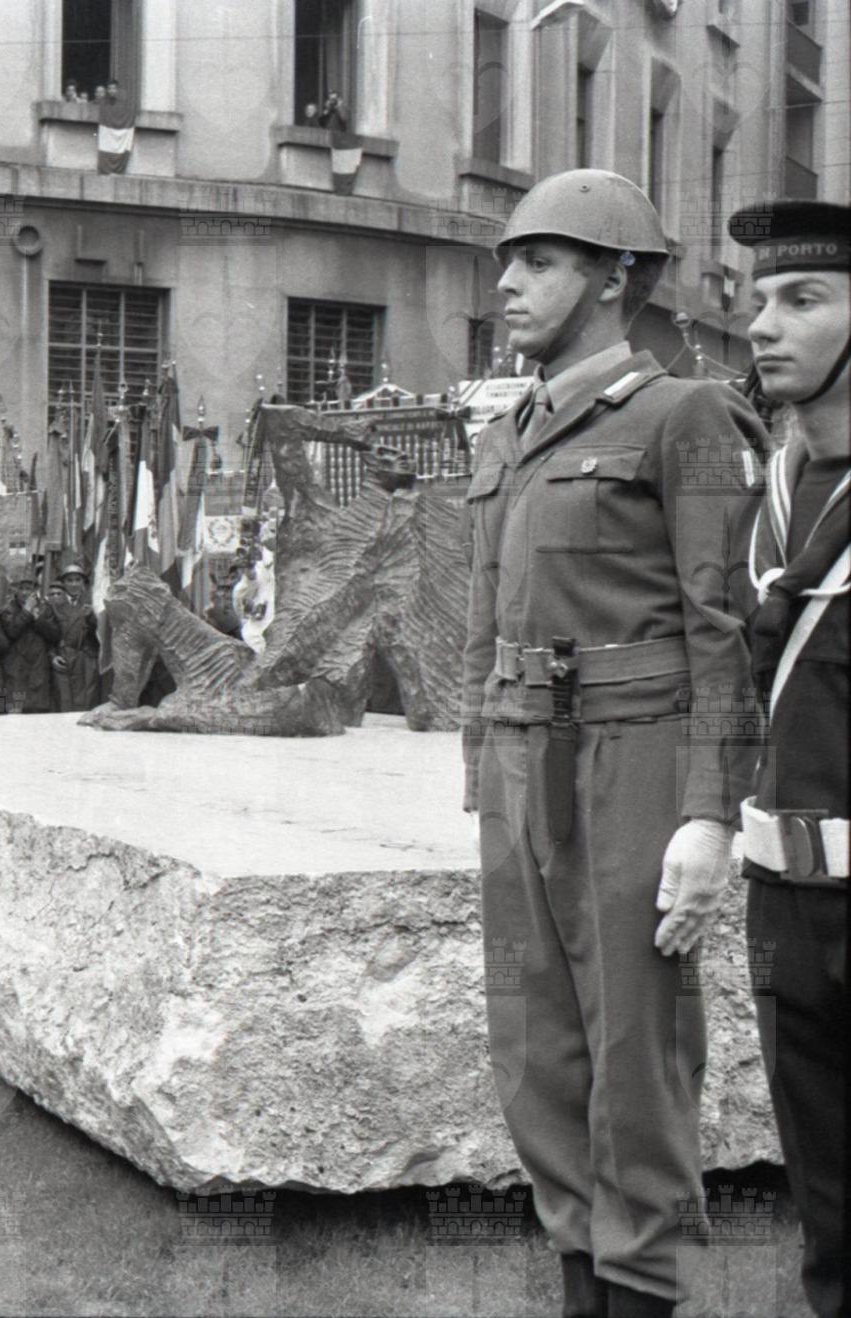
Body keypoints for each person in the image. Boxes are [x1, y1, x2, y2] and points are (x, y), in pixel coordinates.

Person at [461, 169, 765, 1318]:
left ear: (613, 280)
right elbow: (486, 618)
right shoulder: (507, 432)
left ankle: (639, 1289)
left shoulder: (683, 416)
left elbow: (721, 627)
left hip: (632, 759)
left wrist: (707, 812)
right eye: (507, 261)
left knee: (636, 1055)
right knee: (533, 1053)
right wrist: (480, 775)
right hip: (518, 766)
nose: (508, 283)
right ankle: (579, 1283)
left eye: (538, 262)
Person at [728, 197, 848, 1318]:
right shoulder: (769, 496)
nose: (762, 324)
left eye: (802, 299)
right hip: (783, 904)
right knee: (827, 1218)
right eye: (758, 298)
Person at [0, 579, 61, 714]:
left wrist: (38, 619)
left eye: (28, 589)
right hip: (15, 669)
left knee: (37, 714)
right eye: (21, 588)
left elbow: (55, 635)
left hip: (38, 669)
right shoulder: (7, 609)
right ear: (16, 590)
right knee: (14, 713)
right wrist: (27, 611)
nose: (24, 592)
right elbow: (12, 632)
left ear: (34, 590)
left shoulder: (45, 608)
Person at [49, 566, 101, 712]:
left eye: (78, 580)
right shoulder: (55, 604)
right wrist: (53, 656)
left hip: (86, 659)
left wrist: (91, 617)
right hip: (64, 658)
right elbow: (49, 636)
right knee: (64, 703)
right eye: (69, 580)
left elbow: (102, 633)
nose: (74, 584)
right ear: (63, 583)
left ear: (83, 582)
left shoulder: (93, 601)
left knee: (86, 703)